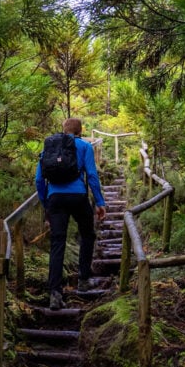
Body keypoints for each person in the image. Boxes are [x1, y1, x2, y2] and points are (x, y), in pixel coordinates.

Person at [35, 118, 107, 310]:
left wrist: (46, 205)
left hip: (55, 199)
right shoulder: (84, 146)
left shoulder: (49, 147)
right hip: (78, 197)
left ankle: (55, 294)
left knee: (57, 242)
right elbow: (91, 175)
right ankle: (83, 279)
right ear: (80, 131)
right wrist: (100, 202)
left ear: (63, 130)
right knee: (88, 234)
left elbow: (39, 180)